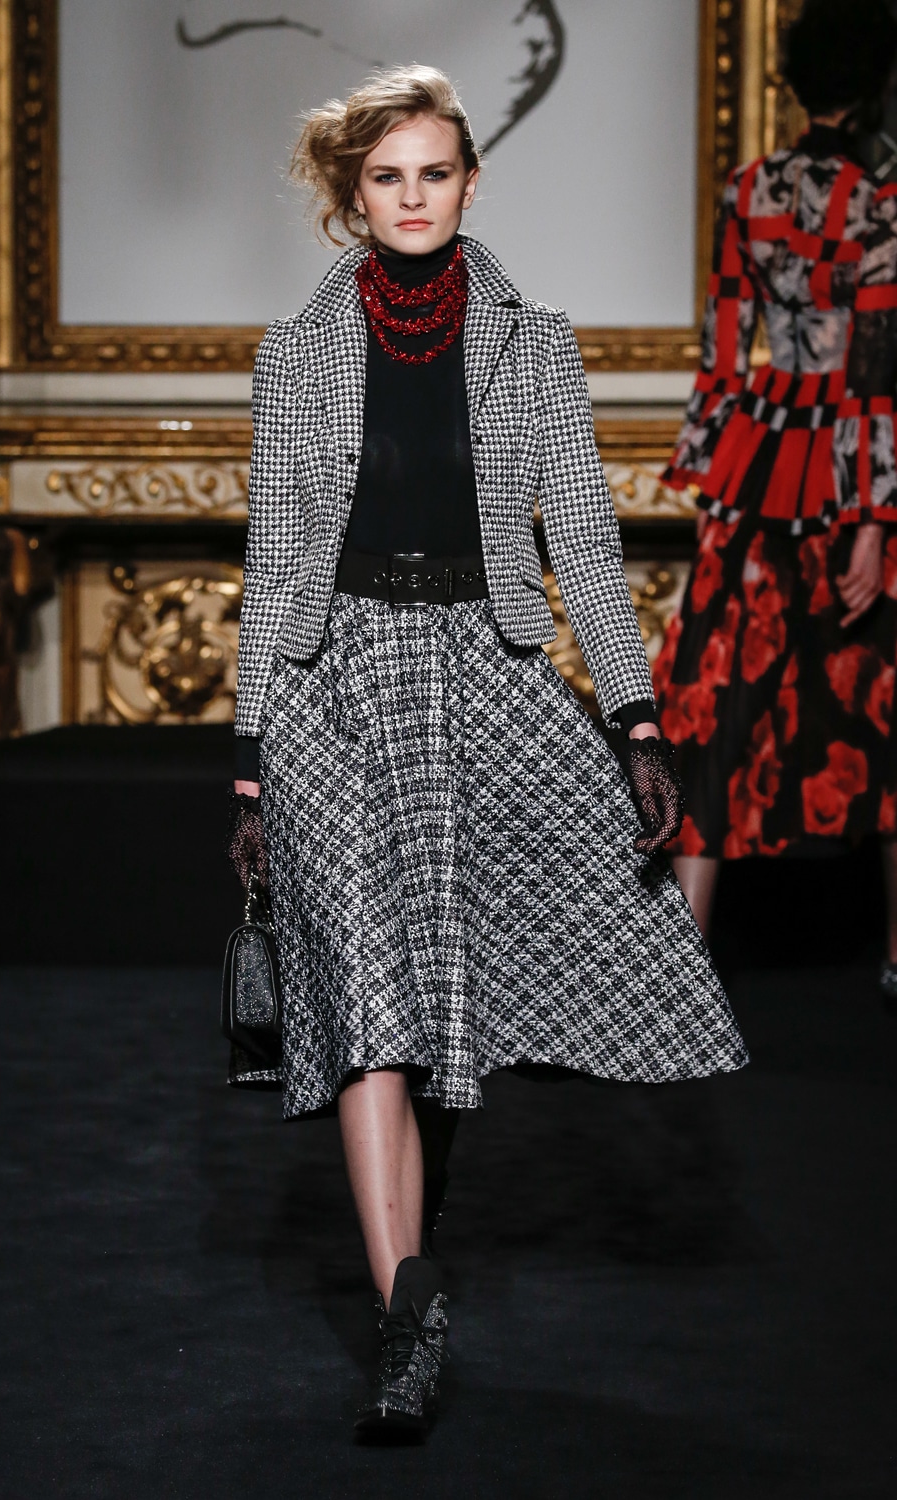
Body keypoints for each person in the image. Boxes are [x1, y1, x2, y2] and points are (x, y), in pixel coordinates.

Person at [228, 64, 747, 1440]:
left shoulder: (536, 341)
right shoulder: (295, 352)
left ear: (469, 182)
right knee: (363, 995)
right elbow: (274, 558)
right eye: (385, 176)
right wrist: (250, 754)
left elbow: (582, 543)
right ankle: (407, 1314)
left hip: (484, 674)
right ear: (352, 196)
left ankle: (419, 1231)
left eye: (434, 173)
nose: (412, 198)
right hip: (334, 683)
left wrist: (636, 719)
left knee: (445, 995)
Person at [653, 0, 897, 988]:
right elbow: (873, 375)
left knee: (717, 700)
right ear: (876, 87)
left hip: (760, 454)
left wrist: (713, 476)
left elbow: (722, 354)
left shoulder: (746, 189)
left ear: (793, 84)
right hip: (847, 462)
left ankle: (680, 968)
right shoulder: (881, 201)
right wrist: (874, 521)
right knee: (880, 699)